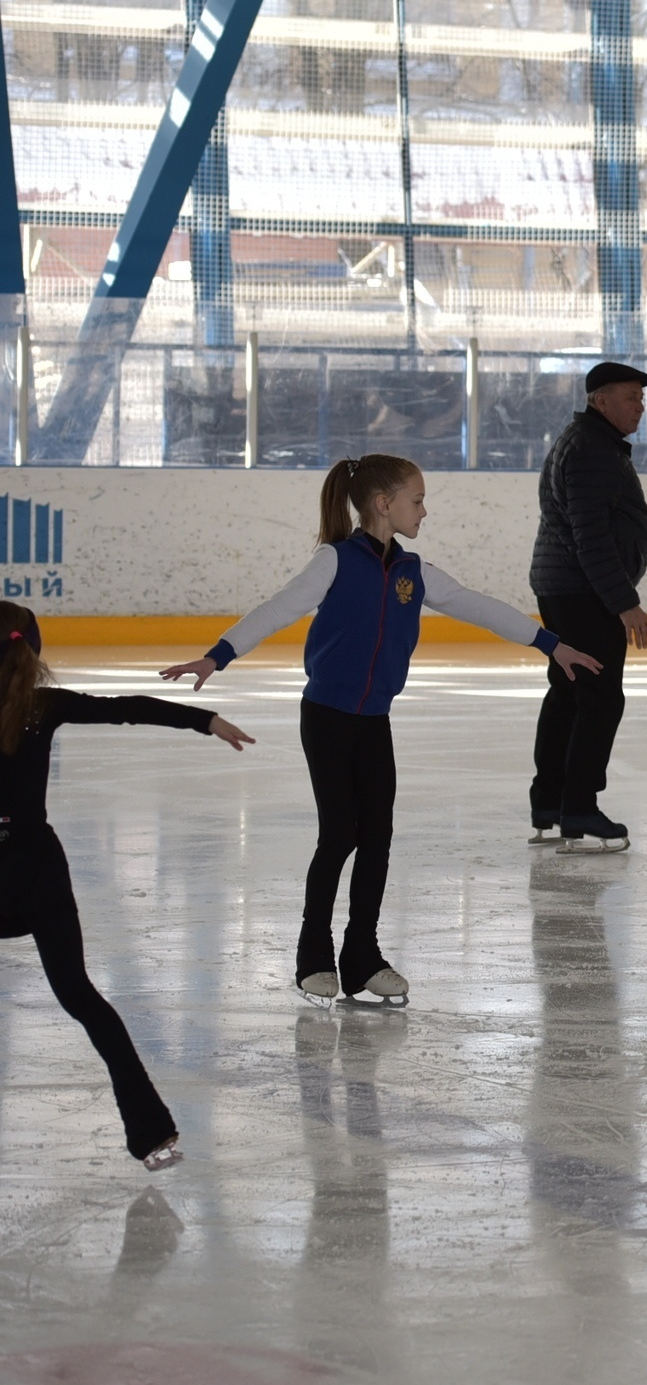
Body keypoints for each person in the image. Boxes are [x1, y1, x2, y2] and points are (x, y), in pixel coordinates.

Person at [166, 455, 602, 1007]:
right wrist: (216, 657)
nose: (424, 510)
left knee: (377, 839)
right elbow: (277, 609)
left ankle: (362, 956)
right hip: (326, 716)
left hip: (374, 721)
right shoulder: (334, 561)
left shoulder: (413, 572)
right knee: (340, 833)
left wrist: (551, 643)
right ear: (383, 504)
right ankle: (313, 952)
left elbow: (478, 607)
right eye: (416, 500)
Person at [3, 604, 254, 1170]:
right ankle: (150, 1131)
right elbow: (126, 711)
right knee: (82, 998)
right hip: (35, 870)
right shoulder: (43, 705)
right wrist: (204, 720)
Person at [528, 361, 647, 849]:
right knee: (599, 700)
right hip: (583, 593)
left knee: (569, 693)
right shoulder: (590, 450)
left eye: (641, 398)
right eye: (630, 397)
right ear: (599, 400)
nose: (639, 406)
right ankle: (578, 806)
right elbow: (592, 537)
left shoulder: (587, 442)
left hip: (569, 587)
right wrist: (624, 602)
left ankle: (551, 800)